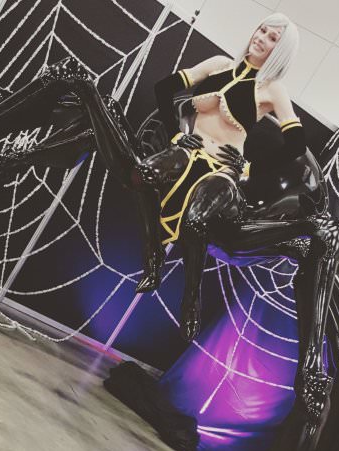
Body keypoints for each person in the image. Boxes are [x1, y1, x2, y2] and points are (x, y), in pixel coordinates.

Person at [137, 13, 306, 337]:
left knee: (195, 222)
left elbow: (297, 144)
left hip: (223, 169)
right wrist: (176, 133)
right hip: (189, 152)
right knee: (144, 173)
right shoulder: (218, 64)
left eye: (272, 37)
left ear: (281, 50)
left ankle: (191, 298)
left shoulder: (273, 90)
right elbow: (164, 88)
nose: (261, 38)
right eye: (262, 29)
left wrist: (250, 167)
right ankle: (154, 256)